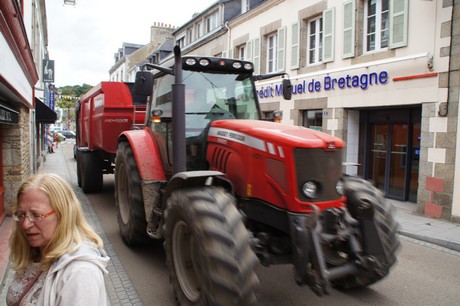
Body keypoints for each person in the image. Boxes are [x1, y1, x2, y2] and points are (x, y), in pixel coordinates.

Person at [6, 173, 110, 306]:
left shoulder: (80, 273)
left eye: (36, 215)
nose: (25, 225)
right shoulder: (36, 252)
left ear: (63, 214)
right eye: (21, 215)